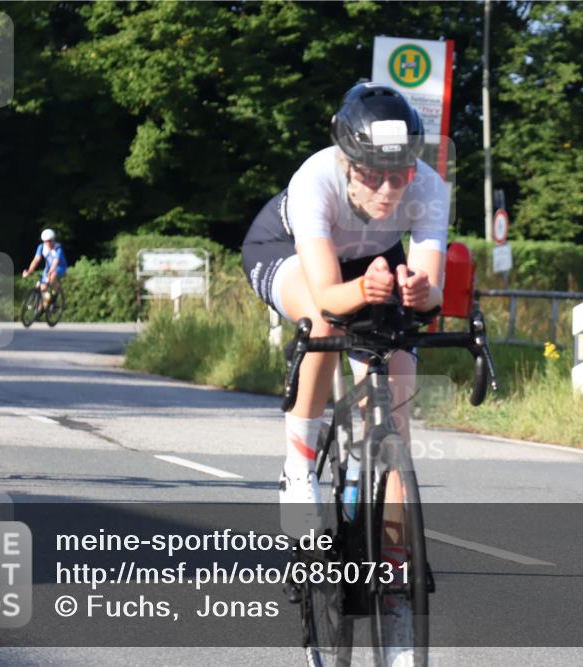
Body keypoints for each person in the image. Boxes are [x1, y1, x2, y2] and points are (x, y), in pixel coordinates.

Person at [242, 83, 447, 662]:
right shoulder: (316, 180)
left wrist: (420, 290)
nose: (387, 189)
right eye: (372, 174)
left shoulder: (428, 187)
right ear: (345, 162)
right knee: (325, 322)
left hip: (369, 265)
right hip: (289, 252)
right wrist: (363, 290)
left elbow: (429, 290)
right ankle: (300, 463)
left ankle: (393, 576)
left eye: (399, 174)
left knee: (400, 355)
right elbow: (332, 293)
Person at [22, 229, 67, 306]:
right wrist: (29, 271)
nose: (48, 243)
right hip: (49, 268)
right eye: (46, 241)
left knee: (52, 276)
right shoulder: (41, 247)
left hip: (60, 267)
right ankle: (40, 311)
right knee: (42, 289)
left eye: (50, 241)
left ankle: (54, 300)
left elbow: (56, 262)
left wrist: (50, 272)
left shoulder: (58, 248)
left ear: (53, 240)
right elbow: (36, 260)